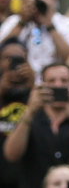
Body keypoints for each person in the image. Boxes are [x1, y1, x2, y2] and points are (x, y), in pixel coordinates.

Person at [3, 62, 69, 188]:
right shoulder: (30, 119)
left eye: (64, 80)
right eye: (51, 81)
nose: (58, 85)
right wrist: (29, 112)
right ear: (42, 85)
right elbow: (11, 155)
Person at [0, 0, 69, 82]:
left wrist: (49, 25)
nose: (35, 2)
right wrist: (22, 22)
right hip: (22, 85)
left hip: (57, 85)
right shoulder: (13, 22)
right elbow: (2, 51)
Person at [0, 37, 34, 187]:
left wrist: (32, 85)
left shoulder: (34, 90)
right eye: (7, 58)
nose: (12, 64)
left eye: (18, 59)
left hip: (27, 173)